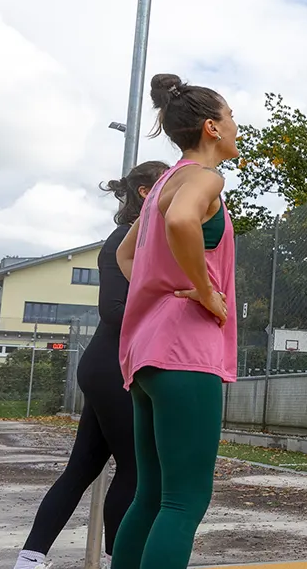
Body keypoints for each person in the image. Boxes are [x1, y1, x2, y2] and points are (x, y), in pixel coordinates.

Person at [12, 161, 170, 569]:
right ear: (143, 192)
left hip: (111, 366)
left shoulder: (153, 240)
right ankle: (123, 559)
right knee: (135, 470)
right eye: (166, 184)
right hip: (111, 366)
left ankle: (30, 560)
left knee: (81, 469)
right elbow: (113, 309)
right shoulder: (123, 239)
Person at [111, 73, 239, 569]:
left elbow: (127, 255)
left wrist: (163, 287)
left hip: (146, 355)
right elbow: (184, 222)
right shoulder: (205, 179)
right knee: (184, 502)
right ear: (211, 127)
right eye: (231, 119)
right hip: (186, 354)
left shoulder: (163, 181)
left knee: (151, 496)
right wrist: (205, 291)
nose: (235, 128)